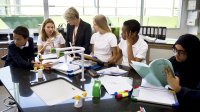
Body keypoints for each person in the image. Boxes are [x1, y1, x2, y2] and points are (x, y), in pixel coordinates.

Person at [164, 34, 200, 110]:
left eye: (181, 52)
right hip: (170, 99)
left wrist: (178, 89)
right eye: (175, 50)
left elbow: (197, 94)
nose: (176, 55)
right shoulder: (174, 60)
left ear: (191, 52)